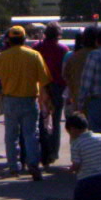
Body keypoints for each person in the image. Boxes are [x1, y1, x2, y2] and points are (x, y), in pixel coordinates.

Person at [0, 25, 52, 180]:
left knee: (11, 136)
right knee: (31, 134)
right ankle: (33, 164)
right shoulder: (34, 55)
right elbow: (44, 80)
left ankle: (13, 167)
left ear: (8, 40)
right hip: (29, 99)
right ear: (24, 39)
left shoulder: (2, 57)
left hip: (10, 100)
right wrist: (46, 101)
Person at [33, 22, 69, 166]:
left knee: (41, 119)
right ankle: (54, 152)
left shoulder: (37, 47)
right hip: (58, 87)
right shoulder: (63, 49)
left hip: (41, 86)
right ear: (58, 35)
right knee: (56, 120)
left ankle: (43, 151)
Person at [63, 26, 97, 113]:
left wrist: (72, 90)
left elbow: (65, 75)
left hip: (78, 97)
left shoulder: (74, 56)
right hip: (99, 99)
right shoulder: (100, 56)